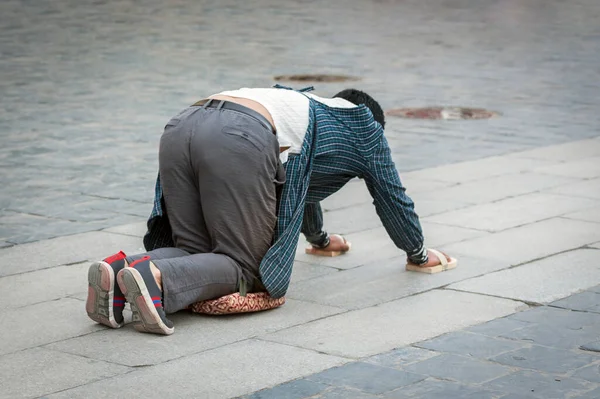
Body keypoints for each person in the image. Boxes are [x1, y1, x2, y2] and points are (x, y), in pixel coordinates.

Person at [86, 85, 452, 336]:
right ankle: (155, 279)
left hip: (184, 124)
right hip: (238, 135)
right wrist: (418, 253)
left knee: (194, 249)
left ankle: (118, 270)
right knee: (242, 265)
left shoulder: (306, 109)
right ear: (373, 119)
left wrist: (321, 239)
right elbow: (393, 196)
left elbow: (303, 184)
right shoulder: (366, 127)